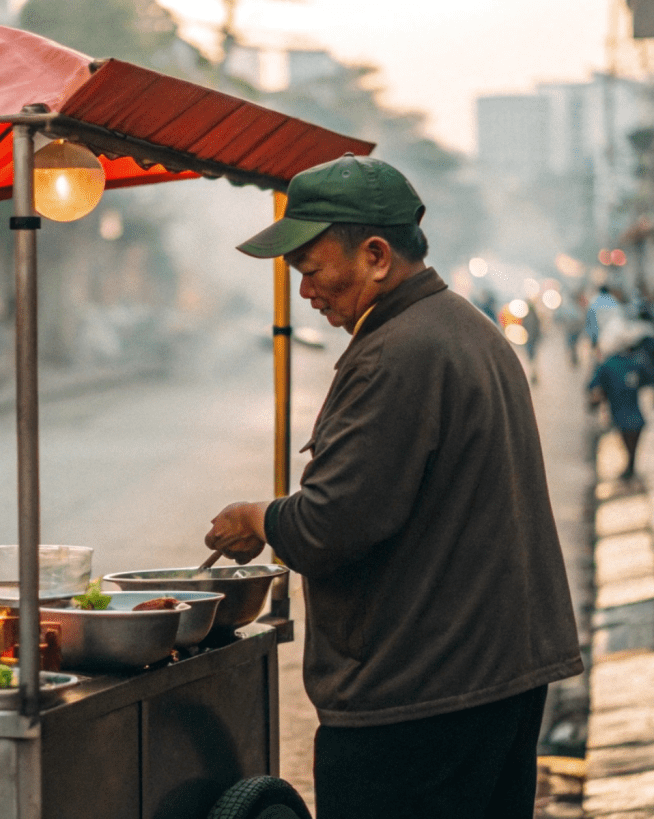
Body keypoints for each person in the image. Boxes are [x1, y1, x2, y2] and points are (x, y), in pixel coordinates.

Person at [204, 153, 583, 818]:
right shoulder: (466, 327)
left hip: (419, 700)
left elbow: (329, 525)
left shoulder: (395, 353)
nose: (305, 291)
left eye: (312, 270)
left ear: (376, 255)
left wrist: (257, 518)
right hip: (495, 680)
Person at [589, 316, 649, 481]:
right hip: (631, 413)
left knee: (628, 441)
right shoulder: (634, 362)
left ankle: (630, 468)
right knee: (631, 443)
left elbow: (594, 388)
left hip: (622, 412)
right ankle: (631, 467)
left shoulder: (609, 364)